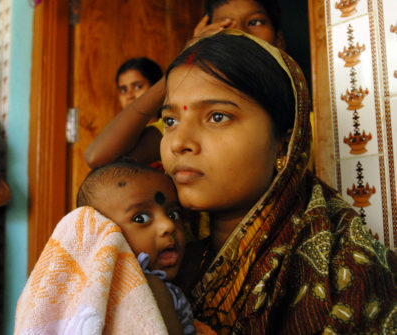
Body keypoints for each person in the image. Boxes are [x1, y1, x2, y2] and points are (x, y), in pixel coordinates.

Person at [159, 29, 397, 333]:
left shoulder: (345, 269)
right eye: (170, 120)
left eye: (217, 117)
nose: (179, 142)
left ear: (284, 143)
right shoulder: (159, 246)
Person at [85, 0, 285, 169]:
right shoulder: (187, 121)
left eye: (255, 22)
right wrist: (187, 58)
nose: (241, 33)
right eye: (226, 26)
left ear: (279, 39)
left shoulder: (310, 122)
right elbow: (98, 157)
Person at [76, 161, 196, 335]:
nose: (168, 225)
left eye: (173, 214)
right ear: (105, 236)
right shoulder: (149, 288)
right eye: (141, 219)